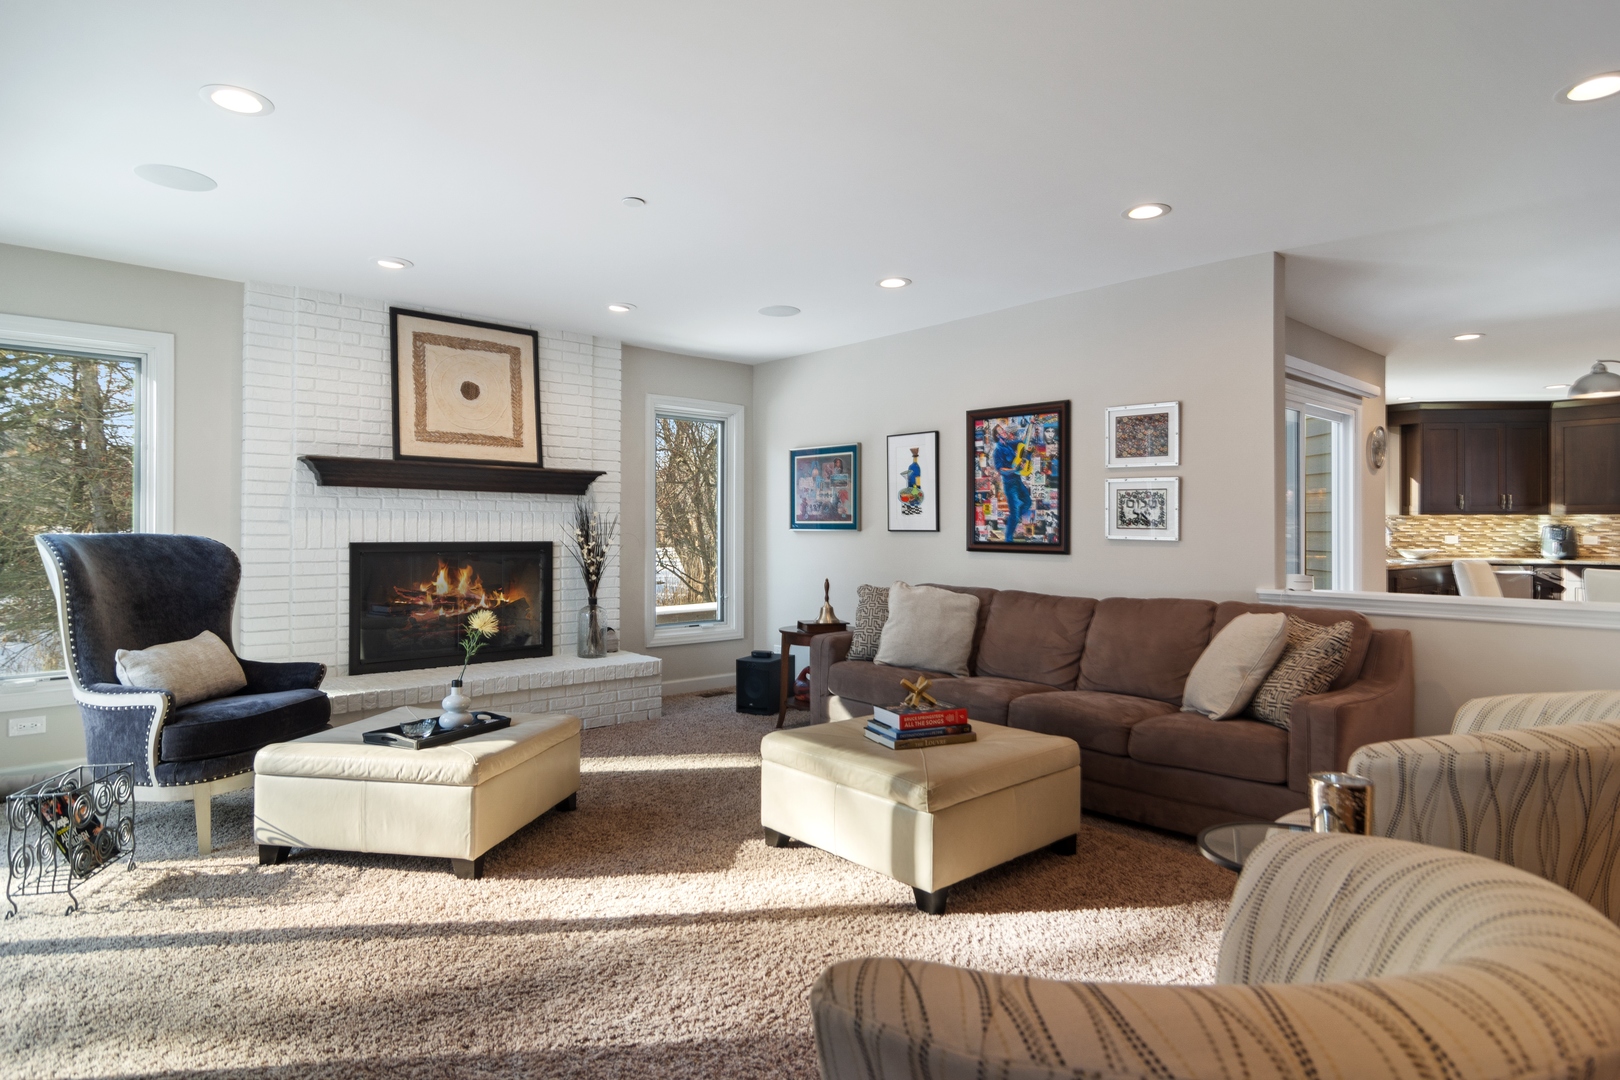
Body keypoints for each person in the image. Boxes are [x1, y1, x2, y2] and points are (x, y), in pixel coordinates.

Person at [992, 422, 1032, 540]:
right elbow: (1001, 470)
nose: (1004, 432)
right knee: (1014, 514)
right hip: (1009, 484)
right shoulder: (997, 451)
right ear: (997, 436)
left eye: (1003, 430)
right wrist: (1014, 469)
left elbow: (1024, 441)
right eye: (1001, 431)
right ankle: (1008, 540)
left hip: (1018, 480)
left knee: (1028, 503)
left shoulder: (1009, 444)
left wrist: (1030, 425)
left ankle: (1010, 520)